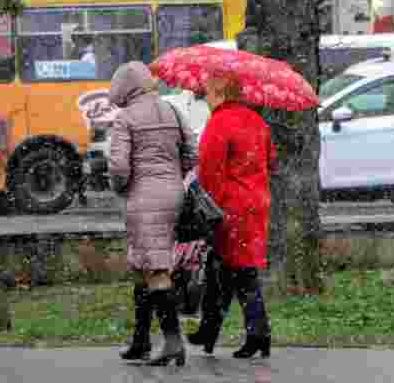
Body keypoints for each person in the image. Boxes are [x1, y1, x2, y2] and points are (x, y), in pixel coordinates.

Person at [108, 61, 197, 366]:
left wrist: (121, 186)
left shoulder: (126, 118)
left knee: (156, 270)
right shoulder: (172, 110)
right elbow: (192, 153)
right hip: (174, 193)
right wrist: (174, 174)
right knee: (140, 265)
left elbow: (119, 168)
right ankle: (140, 340)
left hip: (143, 197)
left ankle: (173, 343)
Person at [186, 74, 276, 360]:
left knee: (239, 272)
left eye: (210, 91)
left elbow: (209, 171)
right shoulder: (257, 121)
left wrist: (207, 206)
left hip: (229, 208)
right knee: (225, 268)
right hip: (256, 203)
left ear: (222, 93)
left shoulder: (219, 123)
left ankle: (257, 333)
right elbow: (271, 161)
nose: (206, 95)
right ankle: (209, 331)